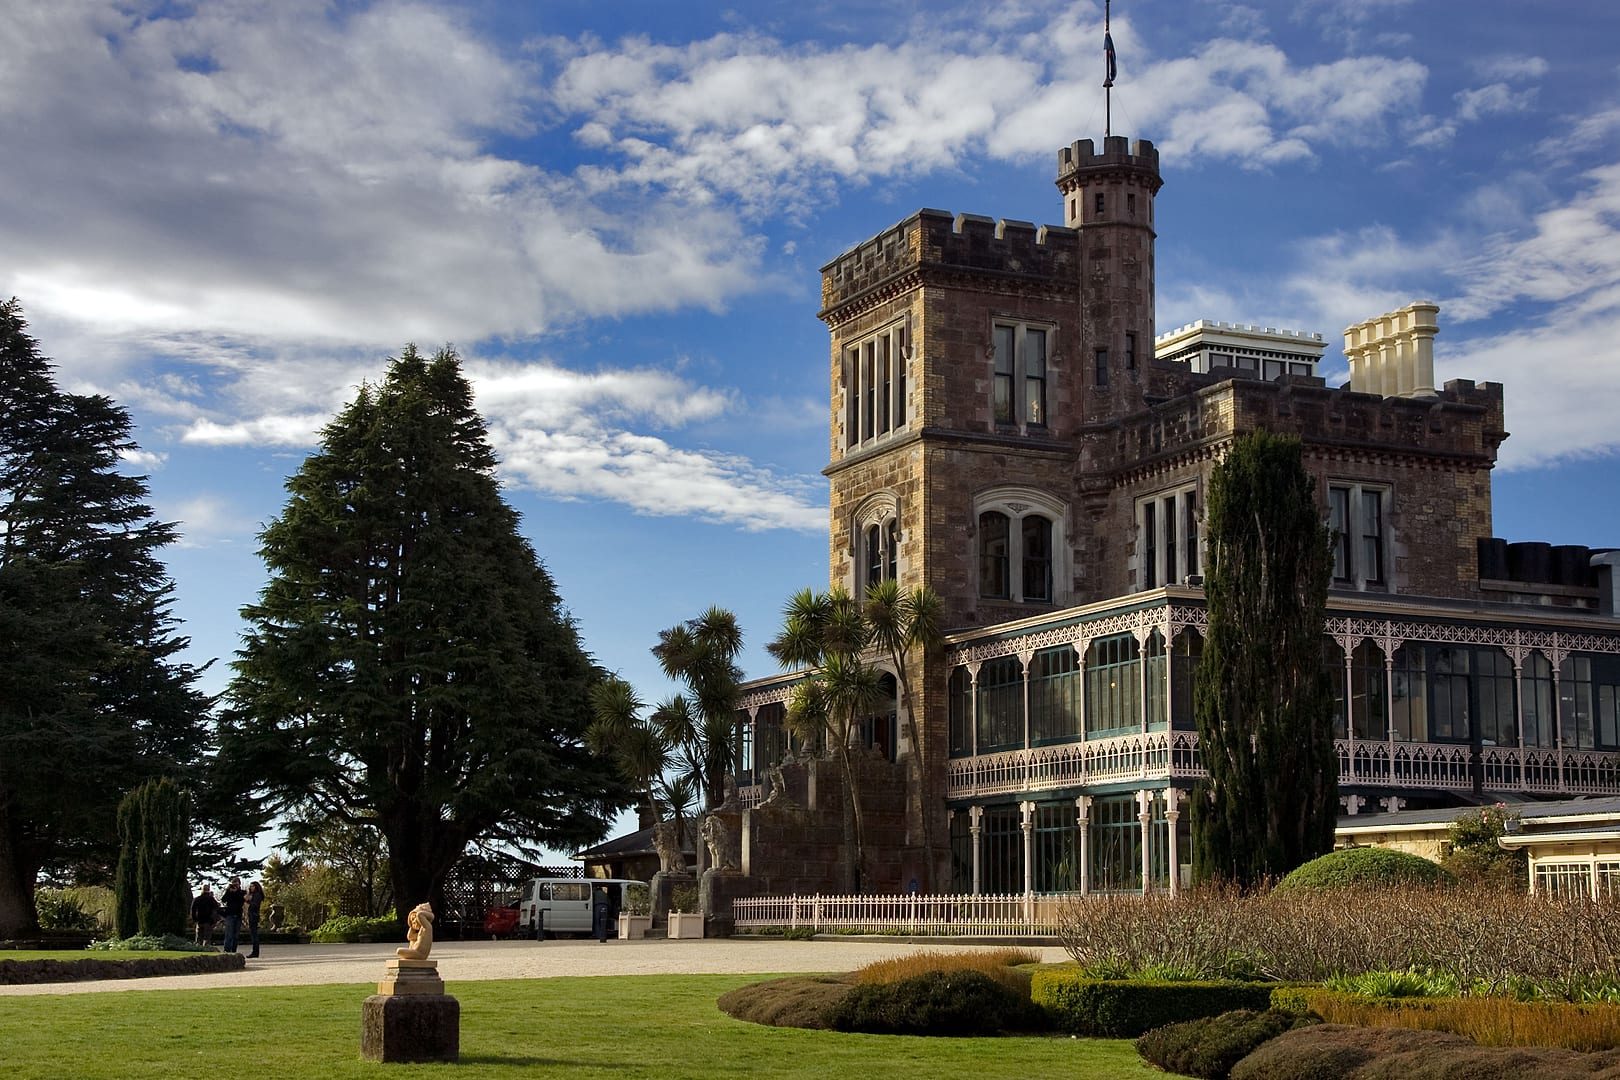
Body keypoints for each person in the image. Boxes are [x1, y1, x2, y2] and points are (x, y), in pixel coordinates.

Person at [219, 877, 246, 954]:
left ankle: (234, 950)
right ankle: (227, 950)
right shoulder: (229, 891)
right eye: (233, 884)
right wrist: (228, 891)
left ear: (239, 884)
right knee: (229, 934)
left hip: (238, 914)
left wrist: (236, 891)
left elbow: (242, 900)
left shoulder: (242, 892)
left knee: (236, 935)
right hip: (230, 914)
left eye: (236, 884)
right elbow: (223, 900)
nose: (235, 886)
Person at [245, 881, 265, 958]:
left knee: (254, 934)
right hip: (253, 915)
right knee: (253, 934)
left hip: (254, 915)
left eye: (252, 886)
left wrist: (248, 901)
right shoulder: (255, 895)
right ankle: (255, 952)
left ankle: (255, 952)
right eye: (250, 886)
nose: (251, 888)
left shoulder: (257, 895)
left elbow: (255, 905)